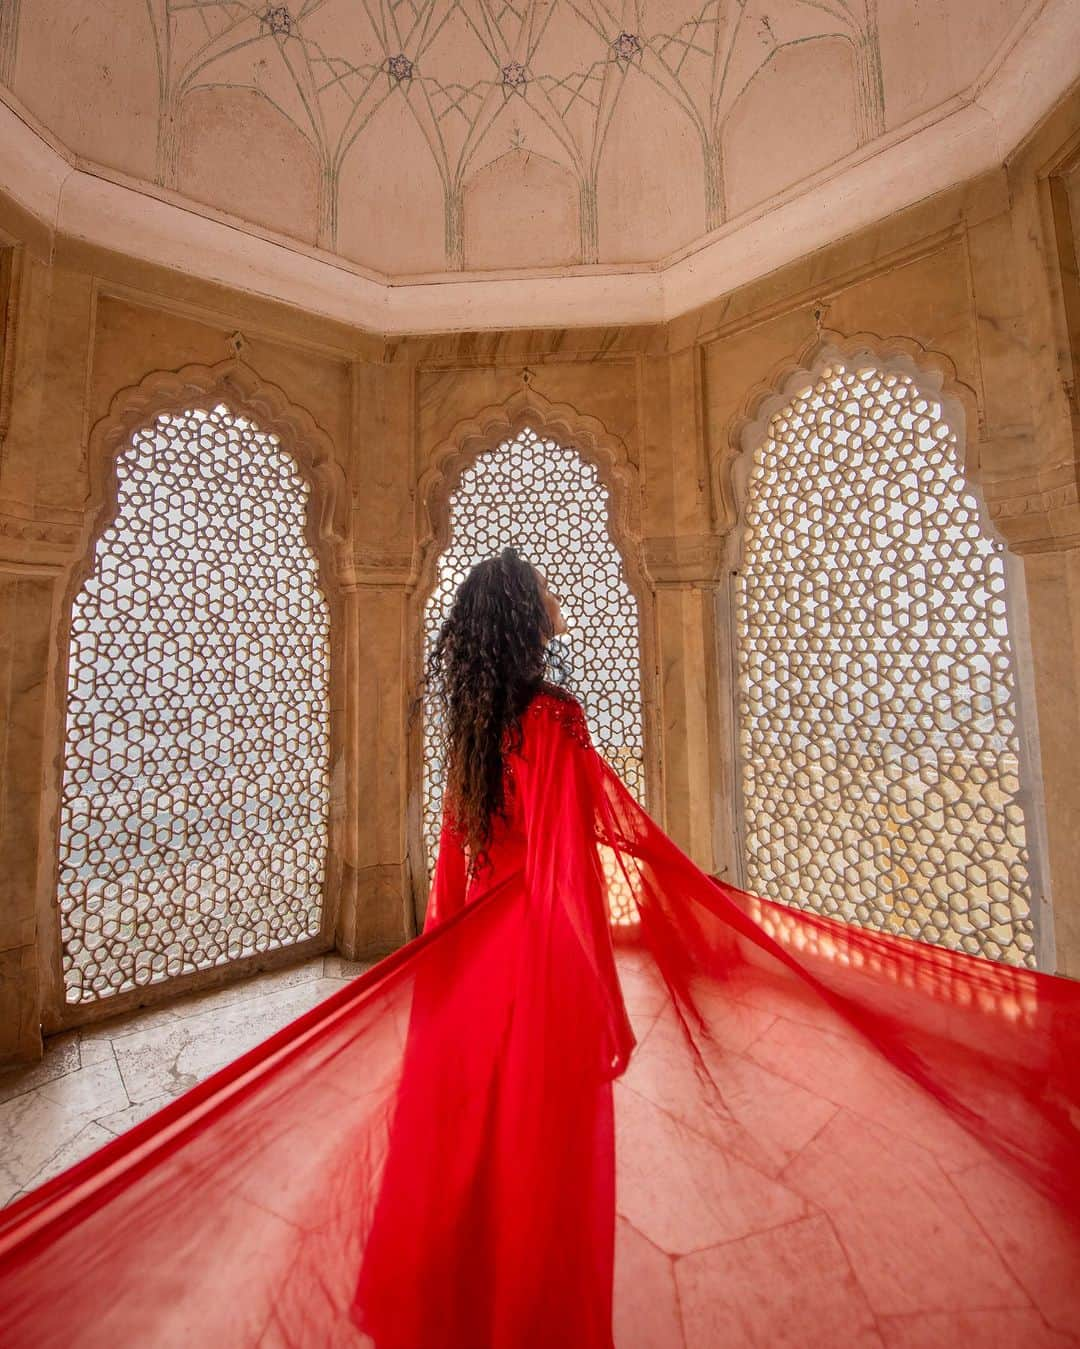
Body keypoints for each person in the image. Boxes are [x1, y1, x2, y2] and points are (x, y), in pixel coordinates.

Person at [0, 547, 1078, 1348]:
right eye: (546, 591)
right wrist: (591, 991)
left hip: (474, 956)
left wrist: (437, 966)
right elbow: (569, 870)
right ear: (527, 618)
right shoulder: (552, 720)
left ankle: (461, 1310)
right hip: (531, 958)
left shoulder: (474, 721)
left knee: (469, 1147)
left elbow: (458, 860)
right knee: (542, 1154)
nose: (560, 600)